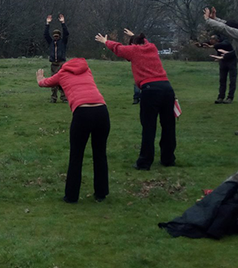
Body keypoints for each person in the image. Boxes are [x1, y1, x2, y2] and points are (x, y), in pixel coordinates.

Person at [96, 28, 176, 169]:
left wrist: (105, 41)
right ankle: (168, 159)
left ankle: (145, 162)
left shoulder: (133, 50)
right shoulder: (152, 47)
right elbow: (145, 41)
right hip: (167, 88)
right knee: (168, 126)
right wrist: (135, 36)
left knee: (149, 127)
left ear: (133, 44)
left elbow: (118, 48)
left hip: (150, 90)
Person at [37, 58, 109, 203]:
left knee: (76, 156)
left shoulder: (62, 73)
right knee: (100, 153)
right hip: (102, 111)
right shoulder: (87, 70)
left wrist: (39, 78)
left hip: (82, 113)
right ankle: (101, 194)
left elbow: (44, 83)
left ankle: (71, 196)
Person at [195, 34, 237, 104]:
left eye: (212, 39)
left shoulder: (225, 42)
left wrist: (212, 46)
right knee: (222, 80)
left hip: (231, 62)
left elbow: (222, 45)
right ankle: (220, 97)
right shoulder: (214, 43)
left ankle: (230, 97)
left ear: (217, 40)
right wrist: (200, 45)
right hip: (222, 61)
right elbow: (207, 43)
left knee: (232, 80)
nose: (211, 41)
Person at [44, 14, 69, 103]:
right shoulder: (51, 42)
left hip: (61, 63)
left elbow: (66, 33)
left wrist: (63, 23)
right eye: (54, 35)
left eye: (57, 36)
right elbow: (45, 34)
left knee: (62, 81)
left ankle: (64, 98)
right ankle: (53, 97)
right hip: (53, 64)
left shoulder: (63, 42)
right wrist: (47, 23)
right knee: (53, 82)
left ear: (59, 36)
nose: (55, 37)